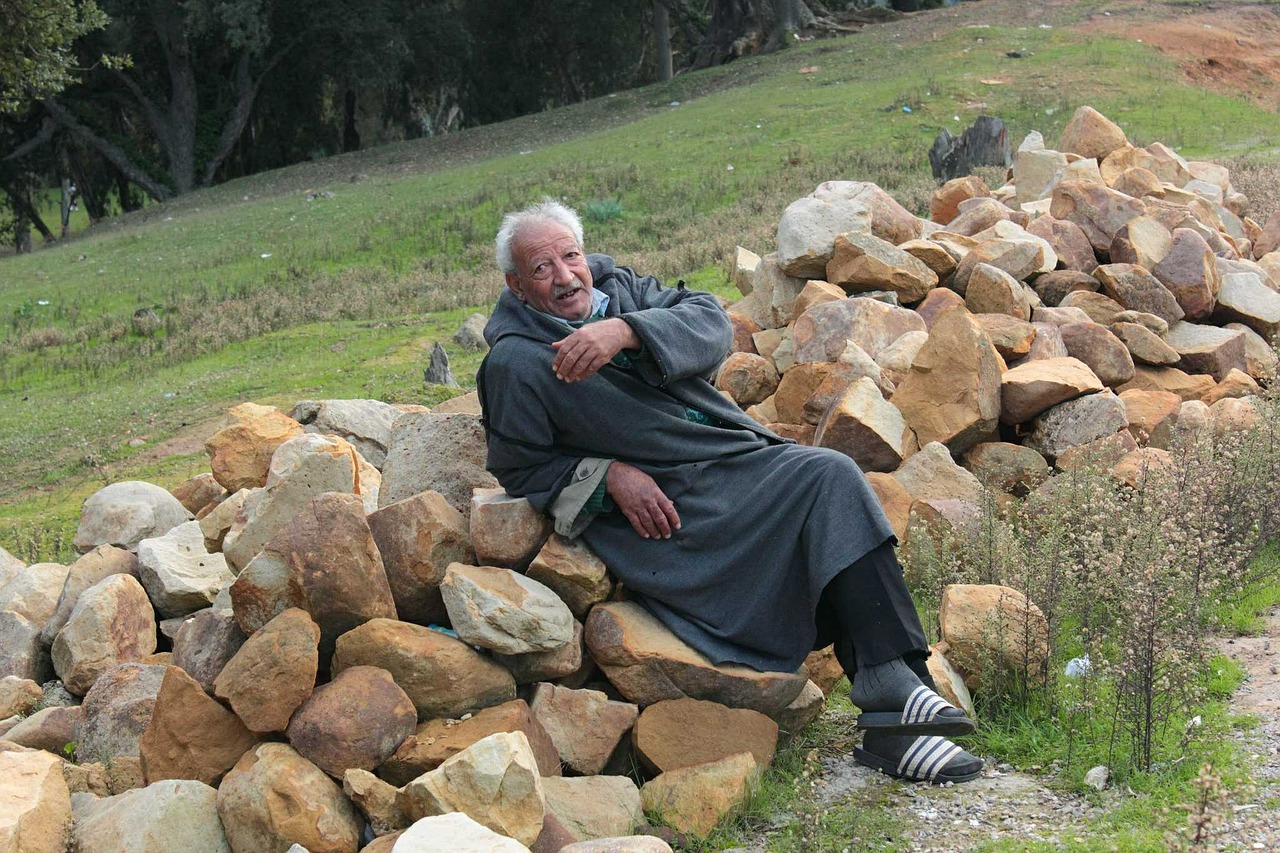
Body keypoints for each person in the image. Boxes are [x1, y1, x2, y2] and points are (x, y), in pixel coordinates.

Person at [477, 199, 982, 784]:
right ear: (515, 286)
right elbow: (521, 466)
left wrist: (627, 331)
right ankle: (894, 703)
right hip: (675, 505)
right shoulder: (516, 362)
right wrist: (607, 474)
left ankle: (892, 699)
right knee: (828, 481)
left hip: (735, 458)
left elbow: (712, 325)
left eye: (571, 256)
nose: (566, 277)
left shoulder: (625, 293)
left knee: (829, 480)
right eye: (542, 269)